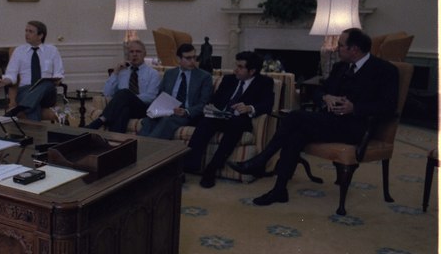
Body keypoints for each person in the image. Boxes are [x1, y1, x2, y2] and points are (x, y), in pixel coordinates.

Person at [228, 28, 398, 206]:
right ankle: (279, 190)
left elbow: (388, 107)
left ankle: (261, 161)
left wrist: (355, 108)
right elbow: (318, 91)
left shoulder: (384, 70)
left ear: (354, 49)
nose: (337, 48)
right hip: (330, 121)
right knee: (295, 134)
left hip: (356, 127)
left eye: (340, 45)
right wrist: (326, 97)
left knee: (294, 118)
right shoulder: (340, 67)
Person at [183, 51, 274, 188]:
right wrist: (212, 108)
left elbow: (267, 104)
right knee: (205, 122)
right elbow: (215, 99)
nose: (235, 69)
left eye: (240, 67)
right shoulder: (229, 79)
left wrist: (250, 108)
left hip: (239, 120)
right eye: (236, 65)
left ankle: (212, 168)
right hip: (220, 116)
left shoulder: (264, 82)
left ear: (252, 71)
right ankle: (191, 163)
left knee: (235, 124)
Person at [138, 43, 212, 140]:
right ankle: (137, 146)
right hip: (166, 110)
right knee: (148, 120)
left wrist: (186, 111)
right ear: (178, 59)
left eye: (194, 57)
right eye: (188, 58)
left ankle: (149, 147)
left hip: (187, 114)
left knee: (167, 121)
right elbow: (160, 95)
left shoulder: (204, 77)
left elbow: (204, 103)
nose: (192, 61)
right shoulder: (170, 74)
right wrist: (157, 108)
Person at [0, 21, 64, 121]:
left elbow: (58, 73)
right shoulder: (19, 51)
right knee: (32, 106)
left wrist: (54, 80)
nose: (26, 34)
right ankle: (33, 131)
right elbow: (11, 75)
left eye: (30, 31)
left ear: (40, 35)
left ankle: (21, 107)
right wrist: (3, 81)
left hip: (47, 93)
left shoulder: (52, 50)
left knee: (45, 84)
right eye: (26, 31)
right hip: (25, 91)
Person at [86, 40, 159, 133]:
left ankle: (101, 120)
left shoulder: (152, 73)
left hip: (143, 109)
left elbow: (151, 97)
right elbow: (107, 93)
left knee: (124, 93)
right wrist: (115, 73)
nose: (134, 54)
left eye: (138, 51)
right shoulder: (122, 72)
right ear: (128, 55)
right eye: (131, 52)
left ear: (144, 54)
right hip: (126, 108)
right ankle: (114, 141)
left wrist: (128, 97)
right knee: (124, 110)